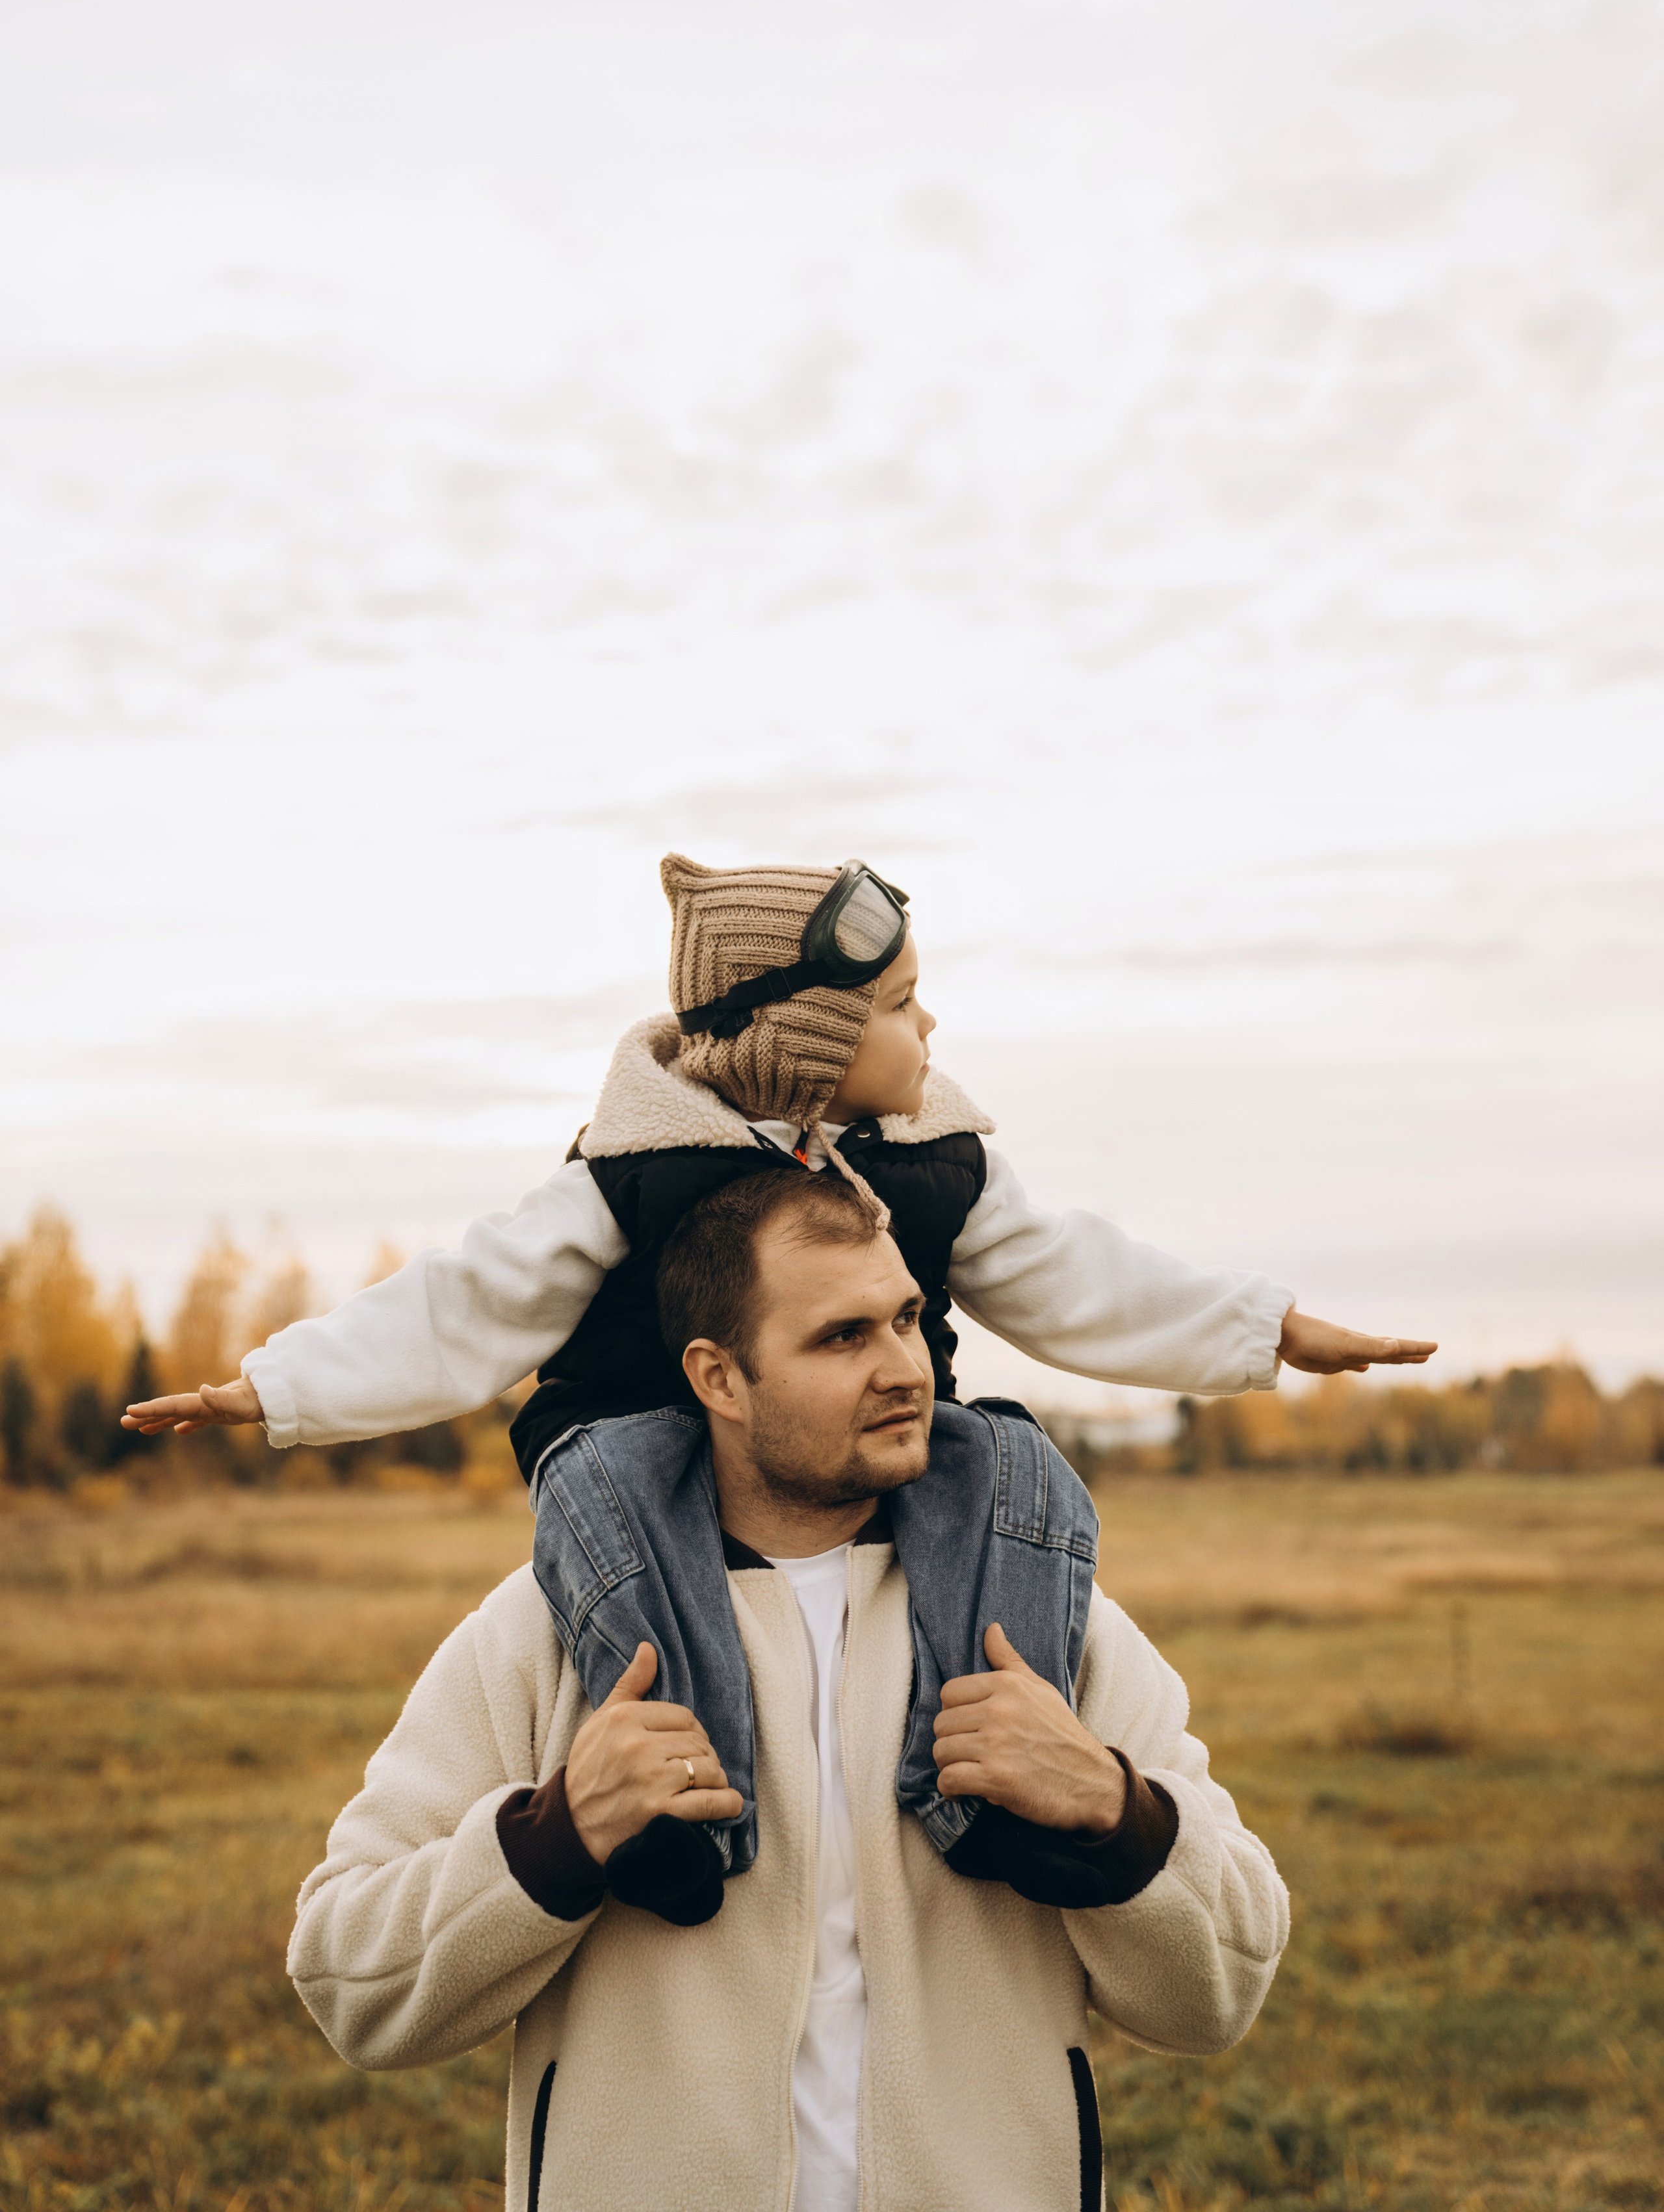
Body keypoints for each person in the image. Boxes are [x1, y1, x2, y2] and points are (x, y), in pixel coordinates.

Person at [127, 855, 1433, 1913]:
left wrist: (1264, 1330)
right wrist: (274, 1387)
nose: (929, 1028)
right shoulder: (634, 1173)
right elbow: (470, 1301)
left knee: (1013, 1464)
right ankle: (684, 1817)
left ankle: (992, 1775)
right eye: (900, 1006)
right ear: (809, 1042)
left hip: (849, 1467)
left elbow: (1079, 1279)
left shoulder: (936, 1166)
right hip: (634, 1446)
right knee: (625, 1516)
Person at [289, 1168, 1290, 2212]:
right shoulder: (556, 1628)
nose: (905, 1368)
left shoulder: (1046, 1621)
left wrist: (1115, 1810)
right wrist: (557, 1835)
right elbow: (346, 1982)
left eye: (907, 1319)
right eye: (842, 1337)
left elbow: (1224, 1988)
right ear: (720, 1378)